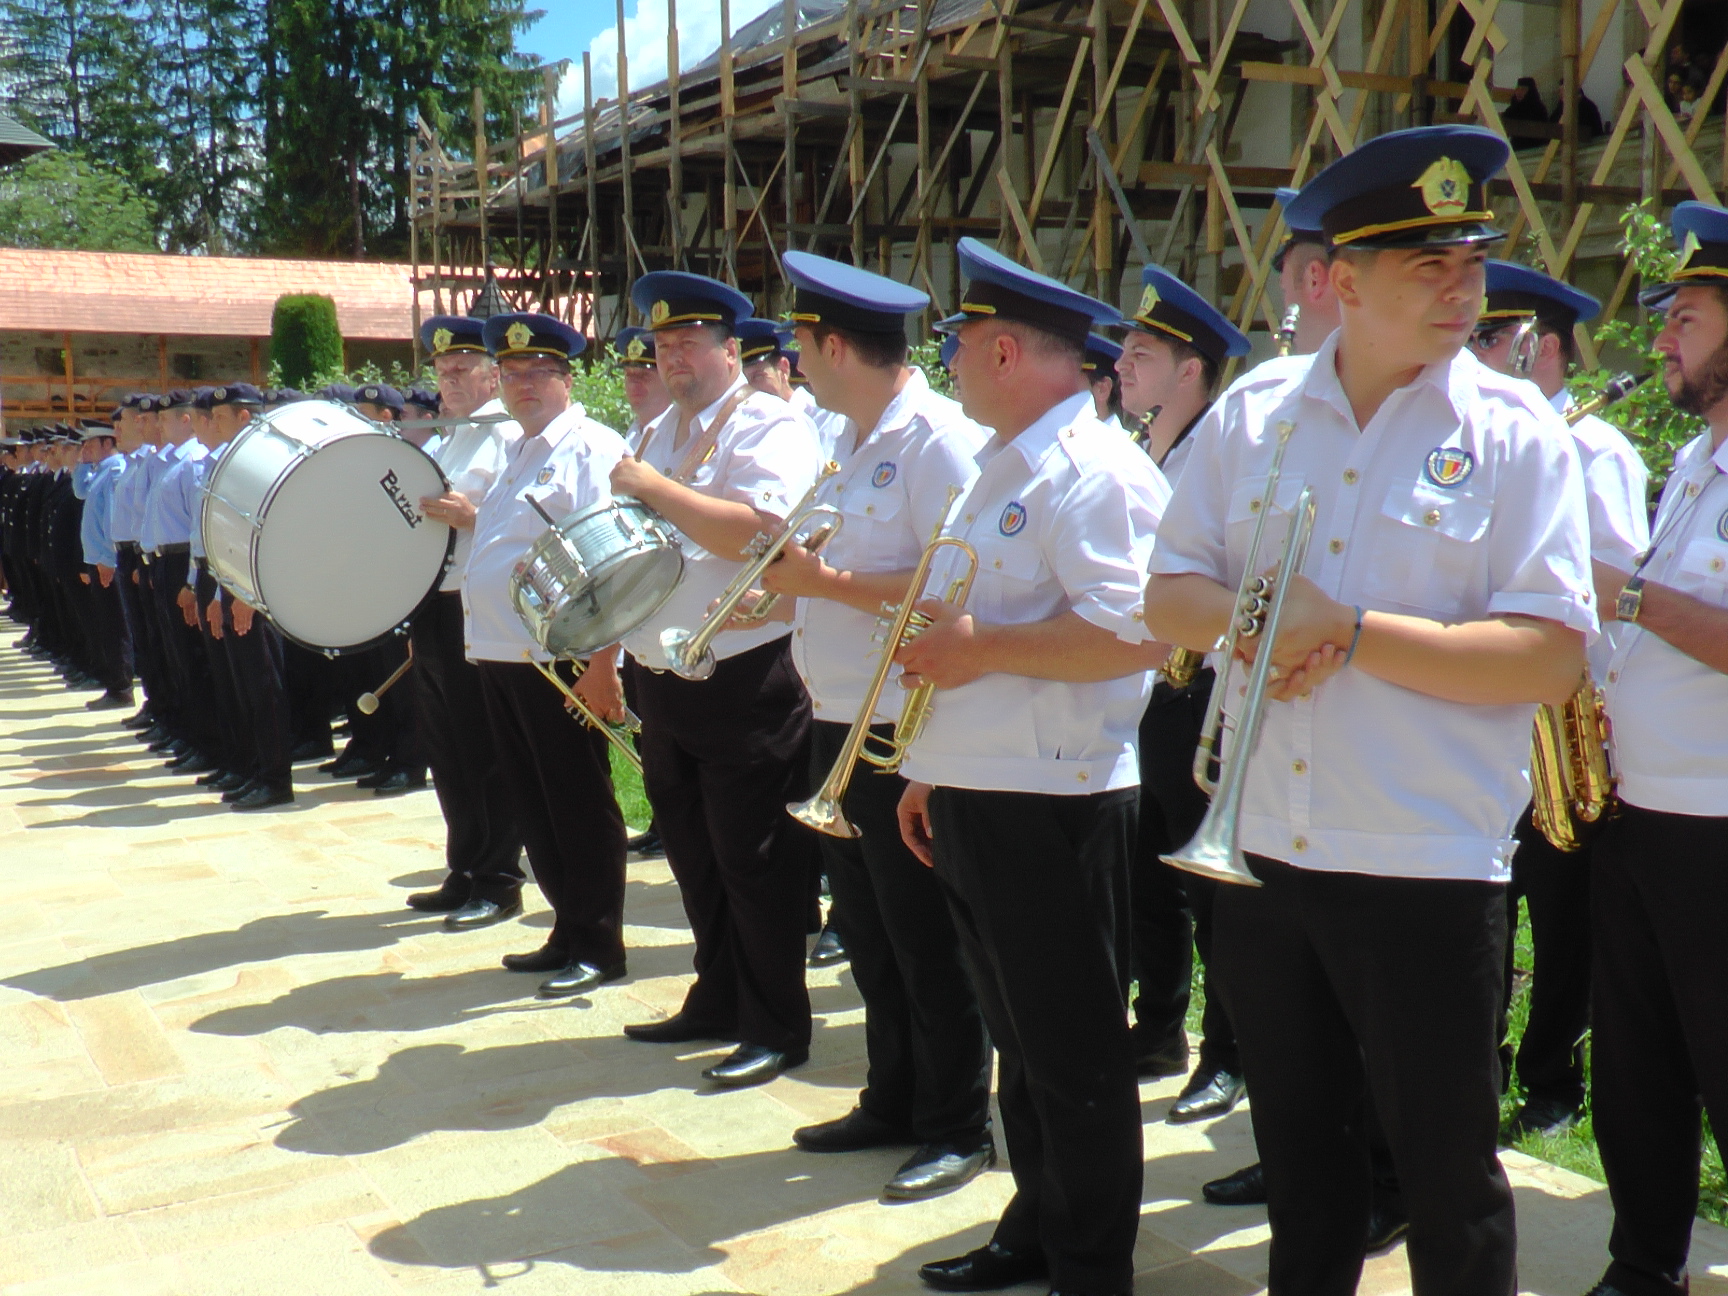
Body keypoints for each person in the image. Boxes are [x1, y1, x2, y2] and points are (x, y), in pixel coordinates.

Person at [1145, 125, 1597, 1296]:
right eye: (1428, 267)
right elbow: (1168, 593)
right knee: (1303, 1172)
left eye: (1471, 264)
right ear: (1341, 284)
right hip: (1264, 848)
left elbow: (1550, 657)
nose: (1463, 291)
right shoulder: (1256, 414)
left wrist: (1344, 630)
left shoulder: (1514, 435)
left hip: (1422, 863)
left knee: (1450, 1185)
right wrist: (1261, 624)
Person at [891, 237, 1170, 1296]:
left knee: (1074, 1052)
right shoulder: (1003, 466)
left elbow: (1137, 634)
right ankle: (1038, 1228)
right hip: (983, 786)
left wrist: (982, 651)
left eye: (958, 343)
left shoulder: (1093, 473)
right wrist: (932, 766)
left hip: (1056, 799)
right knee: (1021, 1040)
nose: (950, 362)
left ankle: (1091, 1267)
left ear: (1003, 351)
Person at [753, 248, 995, 1198]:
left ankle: (956, 1124)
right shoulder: (846, 438)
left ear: (834, 346)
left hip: (904, 724)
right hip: (838, 716)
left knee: (926, 938)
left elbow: (956, 582)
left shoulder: (937, 440)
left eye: (800, 342)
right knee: (870, 932)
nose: (793, 360)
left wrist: (826, 583)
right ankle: (892, 1095)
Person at [612, 271, 825, 1089]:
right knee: (695, 855)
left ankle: (776, 1026)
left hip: (744, 674)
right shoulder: (660, 430)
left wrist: (656, 489)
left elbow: (764, 536)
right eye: (663, 345)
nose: (673, 358)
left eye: (689, 343)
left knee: (755, 860)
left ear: (730, 350)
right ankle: (719, 994)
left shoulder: (764, 423)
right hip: (666, 672)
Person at [1581, 201, 1728, 1296]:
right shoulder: (1692, 464)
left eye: (1687, 316)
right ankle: (1645, 1266)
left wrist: (1623, 596)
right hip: (1642, 812)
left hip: (1718, 825)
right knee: (1636, 1066)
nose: (1663, 336)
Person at [1469, 260, 1650, 1139]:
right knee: (1486, 903)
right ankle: (1479, 1064)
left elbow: (1618, 580)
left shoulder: (1595, 448)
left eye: (1486, 337)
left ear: (1537, 348)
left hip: (1564, 713)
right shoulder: (1482, 442)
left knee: (1561, 910)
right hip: (1486, 701)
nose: (1471, 353)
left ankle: (1551, 1081)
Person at [1113, 262, 1255, 1129]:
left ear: (1190, 369)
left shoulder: (1217, 458)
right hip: (1143, 688)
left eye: (1141, 355)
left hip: (1195, 690)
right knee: (1147, 877)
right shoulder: (1145, 450)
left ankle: (1227, 1054)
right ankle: (1159, 1026)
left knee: (1209, 890)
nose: (1121, 366)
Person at [460, 311, 633, 998]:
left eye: (539, 373)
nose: (524, 385)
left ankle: (599, 943)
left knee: (577, 802)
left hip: (560, 656)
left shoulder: (590, 447)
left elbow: (616, 562)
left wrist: (604, 662)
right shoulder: (520, 449)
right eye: (511, 374)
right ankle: (568, 926)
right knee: (535, 802)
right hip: (505, 654)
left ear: (567, 380)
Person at [407, 315, 528, 929]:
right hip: (433, 599)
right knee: (446, 747)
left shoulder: (507, 435)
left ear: (491, 376)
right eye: (441, 370)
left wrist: (474, 517)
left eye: (461, 369)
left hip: (477, 602)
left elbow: (527, 519)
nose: (449, 379)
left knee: (483, 746)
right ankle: (465, 867)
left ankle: (498, 878)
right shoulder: (446, 438)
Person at [609, 324, 670, 861]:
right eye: (630, 372)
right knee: (650, 733)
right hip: (639, 615)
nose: (635, 381)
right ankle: (660, 819)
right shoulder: (635, 435)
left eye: (646, 370)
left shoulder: (674, 434)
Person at [74, 419, 133, 710]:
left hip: (106, 563)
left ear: (107, 443)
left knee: (115, 626)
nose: (85, 448)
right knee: (106, 625)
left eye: (90, 444)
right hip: (97, 561)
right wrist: (82, 463)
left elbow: (112, 520)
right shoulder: (100, 471)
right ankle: (115, 684)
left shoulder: (114, 471)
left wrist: (108, 559)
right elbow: (80, 491)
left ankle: (122, 687)